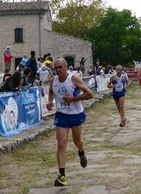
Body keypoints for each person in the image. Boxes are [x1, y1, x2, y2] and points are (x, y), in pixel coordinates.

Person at [47, 58, 93, 187]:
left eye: (59, 67)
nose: (57, 70)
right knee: (61, 144)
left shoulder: (74, 79)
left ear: (66, 67)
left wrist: (74, 98)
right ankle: (62, 176)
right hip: (61, 115)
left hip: (76, 114)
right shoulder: (53, 81)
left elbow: (89, 94)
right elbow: (51, 91)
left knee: (77, 141)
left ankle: (81, 152)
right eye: (55, 68)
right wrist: (50, 101)